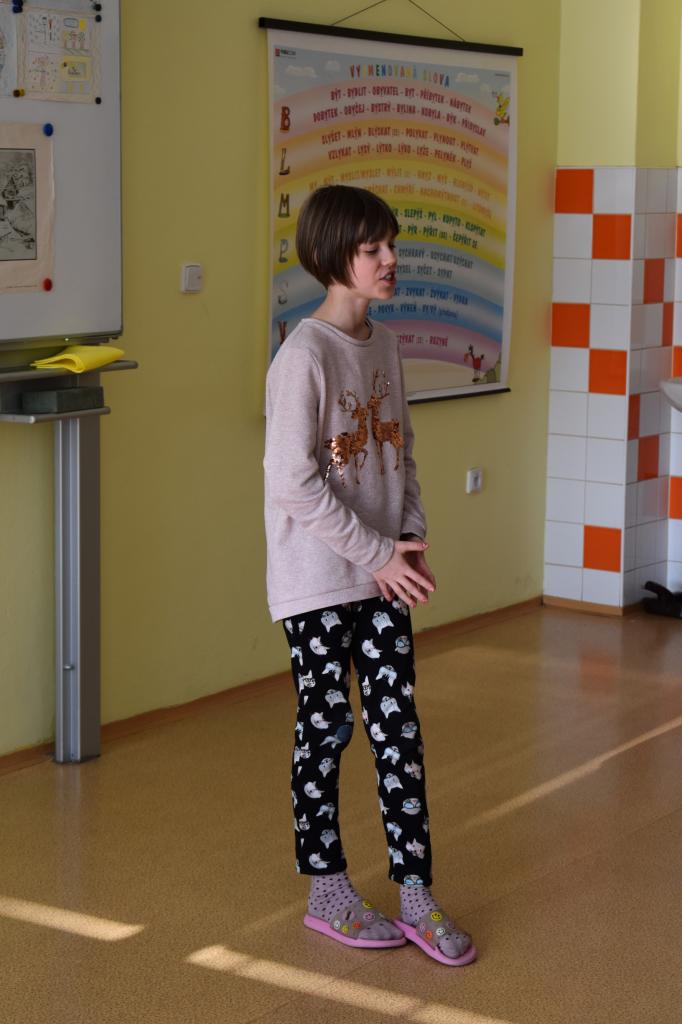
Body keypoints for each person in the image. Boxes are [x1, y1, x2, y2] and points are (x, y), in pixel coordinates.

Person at [263, 185, 476, 966]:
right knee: (326, 730)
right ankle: (327, 892)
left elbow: (401, 451)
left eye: (392, 245)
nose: (390, 260)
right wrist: (378, 552)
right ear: (332, 256)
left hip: (382, 575)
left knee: (398, 732)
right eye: (372, 248)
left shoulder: (383, 345)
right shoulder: (303, 356)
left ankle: (416, 893)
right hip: (319, 581)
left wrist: (406, 542)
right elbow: (293, 483)